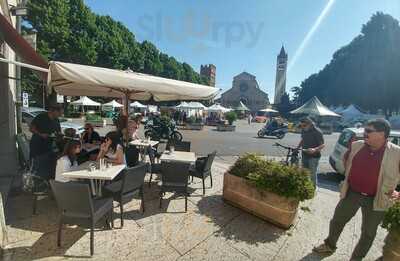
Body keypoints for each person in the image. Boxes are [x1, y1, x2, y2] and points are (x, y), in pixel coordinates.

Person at [313, 119, 400, 260]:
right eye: (365, 130)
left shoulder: (396, 153)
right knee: (337, 221)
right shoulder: (356, 145)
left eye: (369, 131)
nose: (364, 133)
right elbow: (346, 161)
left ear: (382, 134)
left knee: (368, 233)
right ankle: (329, 245)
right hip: (352, 193)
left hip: (377, 199)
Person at [29, 104, 63, 180]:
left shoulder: (56, 120)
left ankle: (45, 183)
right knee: (37, 167)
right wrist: (41, 134)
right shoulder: (41, 117)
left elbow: (57, 133)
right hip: (37, 147)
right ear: (53, 111)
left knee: (47, 167)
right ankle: (34, 183)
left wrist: (59, 136)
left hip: (49, 147)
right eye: (59, 113)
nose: (60, 115)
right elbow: (31, 128)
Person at [297, 117, 324, 186]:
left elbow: (322, 145)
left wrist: (315, 149)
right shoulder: (303, 130)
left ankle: (313, 188)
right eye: (302, 126)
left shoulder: (317, 132)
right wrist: (297, 148)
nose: (303, 127)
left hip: (314, 156)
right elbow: (303, 140)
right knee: (304, 172)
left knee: (312, 173)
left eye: (304, 125)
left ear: (310, 124)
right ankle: (304, 187)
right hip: (304, 154)